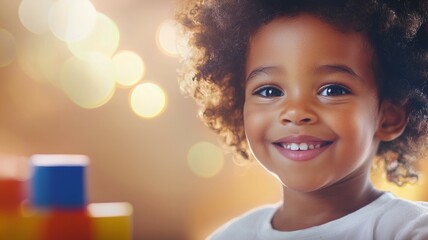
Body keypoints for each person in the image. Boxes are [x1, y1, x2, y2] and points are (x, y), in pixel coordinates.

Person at [177, 0, 428, 239]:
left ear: (389, 117)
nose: (295, 112)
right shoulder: (231, 236)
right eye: (269, 91)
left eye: (332, 90)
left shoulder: (409, 230)